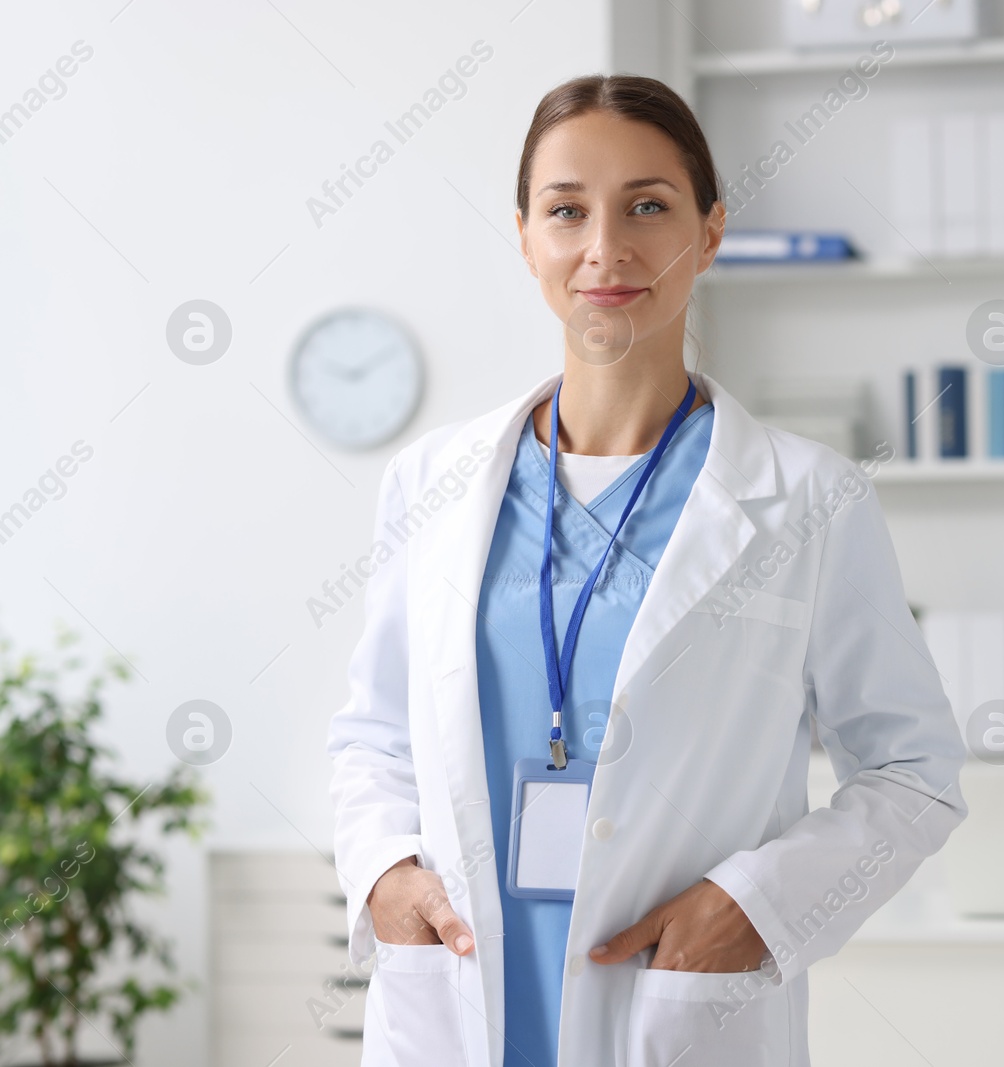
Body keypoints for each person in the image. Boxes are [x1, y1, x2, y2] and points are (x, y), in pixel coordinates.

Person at [326, 72, 967, 1067]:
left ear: (707, 234)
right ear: (526, 233)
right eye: (567, 209)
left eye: (648, 207)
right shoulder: (432, 481)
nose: (604, 248)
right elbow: (372, 732)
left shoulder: (808, 498)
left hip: (677, 1004)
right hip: (455, 995)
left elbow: (912, 773)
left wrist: (749, 907)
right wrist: (382, 875)